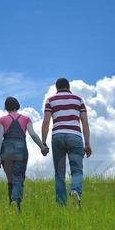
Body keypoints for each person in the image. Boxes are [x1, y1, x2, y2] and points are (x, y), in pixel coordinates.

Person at [41, 78, 92, 207]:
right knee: (77, 170)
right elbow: (85, 123)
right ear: (68, 86)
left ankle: (61, 205)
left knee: (59, 173)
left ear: (56, 87)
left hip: (57, 136)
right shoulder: (78, 100)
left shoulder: (50, 100)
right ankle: (75, 190)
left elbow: (46, 122)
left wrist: (43, 142)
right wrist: (87, 144)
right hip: (75, 136)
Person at [0, 96, 46, 210]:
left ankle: (13, 205)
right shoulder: (26, 119)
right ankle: (15, 201)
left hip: (6, 148)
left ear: (6, 107)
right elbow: (32, 134)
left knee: (11, 180)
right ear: (17, 105)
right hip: (20, 148)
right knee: (18, 178)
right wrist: (42, 146)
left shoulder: (2, 120)